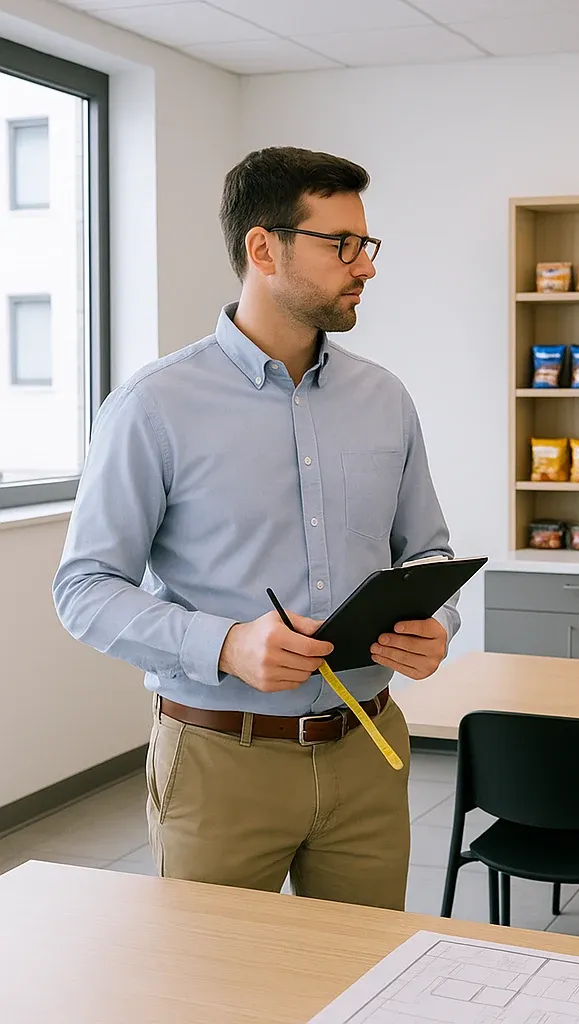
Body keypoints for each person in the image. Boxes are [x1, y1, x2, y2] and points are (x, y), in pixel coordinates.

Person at [53, 147, 458, 909]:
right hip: (219, 757)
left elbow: (427, 548)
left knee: (362, 983)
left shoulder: (386, 399)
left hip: (368, 747)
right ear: (263, 247)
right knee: (215, 991)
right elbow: (83, 590)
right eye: (341, 245)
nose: (364, 266)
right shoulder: (153, 405)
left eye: (364, 245)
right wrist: (227, 644)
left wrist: (433, 619)